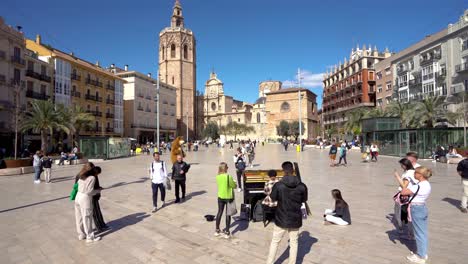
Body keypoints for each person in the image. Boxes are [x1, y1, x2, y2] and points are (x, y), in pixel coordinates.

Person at [266, 161, 308, 264]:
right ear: (293, 171)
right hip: (295, 218)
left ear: (283, 171)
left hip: (281, 217)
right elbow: (304, 199)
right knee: (294, 242)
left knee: (275, 241)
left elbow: (273, 198)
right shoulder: (302, 186)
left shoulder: (279, 185)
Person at [401, 167, 432, 263]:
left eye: (415, 173)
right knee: (422, 232)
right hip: (422, 207)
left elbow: (403, 192)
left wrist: (406, 183)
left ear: (420, 175)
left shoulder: (418, 186)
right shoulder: (426, 184)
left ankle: (421, 256)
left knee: (419, 234)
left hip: (416, 209)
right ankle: (423, 253)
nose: (414, 174)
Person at [75, 164, 101, 243]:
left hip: (78, 196)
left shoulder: (81, 175)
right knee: (87, 217)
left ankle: (81, 234)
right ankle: (90, 237)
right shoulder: (92, 178)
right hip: (85, 198)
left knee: (79, 217)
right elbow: (89, 191)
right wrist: (98, 191)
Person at [393, 158, 417, 238]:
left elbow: (404, 185)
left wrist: (397, 177)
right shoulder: (412, 172)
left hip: (404, 196)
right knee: (405, 214)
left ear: (405, 165)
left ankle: (404, 231)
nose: (401, 167)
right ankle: (409, 232)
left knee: (399, 213)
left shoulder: (408, 174)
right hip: (409, 196)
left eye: (401, 165)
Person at [214, 162, 236, 238]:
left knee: (219, 212)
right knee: (228, 214)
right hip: (228, 197)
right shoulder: (228, 176)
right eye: (227, 167)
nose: (228, 168)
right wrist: (235, 183)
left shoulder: (218, 176)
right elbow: (233, 185)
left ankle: (217, 230)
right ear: (224, 168)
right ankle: (227, 231)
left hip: (220, 196)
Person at [90, 166, 108, 232]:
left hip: (96, 195)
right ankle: (98, 227)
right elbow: (89, 189)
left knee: (98, 211)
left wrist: (99, 189)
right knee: (95, 212)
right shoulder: (90, 177)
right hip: (91, 196)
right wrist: (97, 190)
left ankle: (102, 224)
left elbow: (96, 185)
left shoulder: (94, 176)